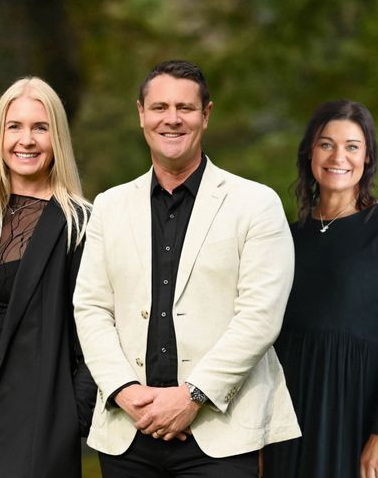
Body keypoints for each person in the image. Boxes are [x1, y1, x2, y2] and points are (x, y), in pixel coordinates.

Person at [73, 59, 300, 477]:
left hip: (221, 433)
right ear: (141, 114)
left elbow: (260, 317)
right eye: (159, 107)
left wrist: (192, 396)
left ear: (206, 115)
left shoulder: (256, 204)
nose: (172, 119)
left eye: (185, 108)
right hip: (128, 431)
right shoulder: (109, 206)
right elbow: (91, 308)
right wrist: (124, 390)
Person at [0, 77, 96, 477]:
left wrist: (69, 419)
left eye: (40, 127)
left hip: (35, 414)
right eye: (15, 127)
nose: (27, 140)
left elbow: (97, 335)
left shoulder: (80, 224)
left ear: (57, 138)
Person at [263, 100, 378, 478]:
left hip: (361, 422)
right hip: (291, 423)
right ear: (310, 153)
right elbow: (267, 340)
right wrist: (262, 434)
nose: (338, 157)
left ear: (367, 157)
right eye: (326, 144)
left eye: (352, 146)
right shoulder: (287, 238)